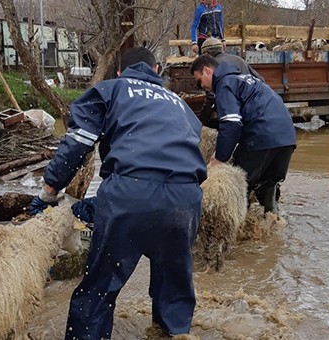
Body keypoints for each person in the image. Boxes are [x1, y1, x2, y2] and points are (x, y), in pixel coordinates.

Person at [29, 47, 207, 339]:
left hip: (130, 194)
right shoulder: (180, 104)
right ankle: (173, 332)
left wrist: (50, 190)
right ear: (157, 70)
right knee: (174, 285)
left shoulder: (111, 90)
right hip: (185, 199)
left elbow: (79, 141)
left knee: (99, 288)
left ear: (121, 72)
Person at [190, 54, 296, 214]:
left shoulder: (224, 85)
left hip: (262, 136)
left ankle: (242, 232)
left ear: (207, 71)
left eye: (199, 82)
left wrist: (220, 158)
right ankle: (272, 227)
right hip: (287, 137)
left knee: (238, 184)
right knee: (268, 183)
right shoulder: (244, 78)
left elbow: (231, 123)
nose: (202, 87)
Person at [197, 37, 263, 128]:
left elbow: (211, 97)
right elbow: (260, 80)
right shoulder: (239, 60)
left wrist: (201, 121)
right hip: (255, 112)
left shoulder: (212, 67)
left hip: (234, 114)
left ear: (206, 54)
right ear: (222, 48)